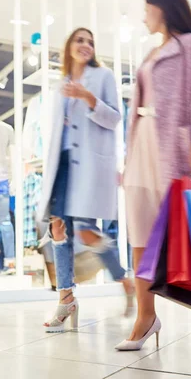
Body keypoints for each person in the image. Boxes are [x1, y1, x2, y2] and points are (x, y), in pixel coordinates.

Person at [115, 0, 191, 351]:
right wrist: (128, 159)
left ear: (162, 8)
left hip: (171, 147)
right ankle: (146, 316)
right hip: (141, 147)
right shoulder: (151, 52)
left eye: (147, 9)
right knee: (139, 233)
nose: (144, 16)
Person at [37, 27, 135, 333]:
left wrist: (88, 98)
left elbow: (115, 117)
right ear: (68, 47)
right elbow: (57, 132)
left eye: (90, 41)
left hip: (89, 166)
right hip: (62, 164)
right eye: (80, 40)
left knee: (87, 233)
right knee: (57, 229)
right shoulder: (60, 85)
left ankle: (124, 279)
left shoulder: (103, 77)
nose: (86, 45)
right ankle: (65, 299)